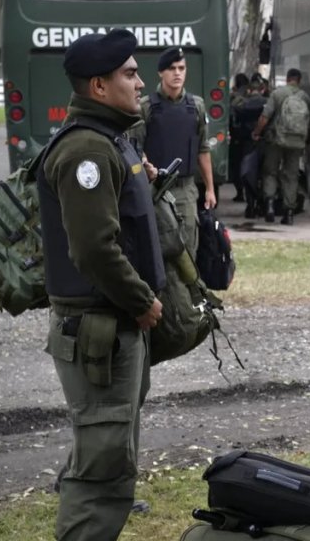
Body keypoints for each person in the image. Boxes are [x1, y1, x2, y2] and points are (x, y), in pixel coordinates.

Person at [38, 28, 165, 541]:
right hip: (101, 329)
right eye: (129, 74)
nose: (141, 83)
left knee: (110, 454)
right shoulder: (86, 152)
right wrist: (142, 301)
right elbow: (94, 249)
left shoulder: (111, 141)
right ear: (98, 86)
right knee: (102, 465)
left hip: (113, 328)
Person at [130, 46, 214, 257]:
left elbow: (203, 149)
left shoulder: (196, 106)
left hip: (186, 189)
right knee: (156, 250)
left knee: (188, 252)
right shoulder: (146, 107)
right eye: (171, 68)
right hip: (155, 190)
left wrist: (210, 188)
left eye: (181, 68)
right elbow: (136, 149)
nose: (177, 73)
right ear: (161, 72)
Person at [251, 68, 310, 225]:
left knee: (270, 171)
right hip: (297, 142)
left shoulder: (277, 94)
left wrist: (257, 132)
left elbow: (265, 117)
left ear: (287, 79)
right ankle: (289, 213)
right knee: (291, 175)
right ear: (299, 80)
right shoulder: (305, 97)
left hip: (276, 140)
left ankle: (270, 207)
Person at [229, 72, 251, 203]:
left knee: (236, 166)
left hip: (236, 137)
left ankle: (240, 192)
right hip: (250, 138)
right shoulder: (252, 96)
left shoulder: (234, 98)